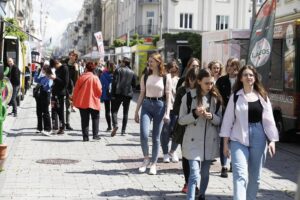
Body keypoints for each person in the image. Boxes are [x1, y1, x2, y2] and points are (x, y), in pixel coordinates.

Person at [220, 65, 279, 200]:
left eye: (251, 75)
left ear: (255, 78)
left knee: (255, 176)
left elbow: (269, 120)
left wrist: (272, 141)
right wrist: (225, 144)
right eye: (245, 75)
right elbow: (228, 120)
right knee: (240, 174)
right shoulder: (235, 96)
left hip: (259, 136)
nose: (249, 77)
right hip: (238, 138)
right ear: (240, 78)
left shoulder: (262, 96)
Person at [179, 68, 222, 200]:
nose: (209, 86)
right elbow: (181, 120)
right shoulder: (188, 97)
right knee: (194, 174)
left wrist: (211, 116)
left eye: (211, 83)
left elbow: (220, 120)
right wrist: (194, 114)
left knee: (205, 174)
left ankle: (202, 195)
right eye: (206, 83)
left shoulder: (216, 98)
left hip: (209, 141)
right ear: (199, 81)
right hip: (192, 141)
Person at [134, 52, 172, 175]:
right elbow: (141, 94)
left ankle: (154, 163)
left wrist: (167, 113)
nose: (149, 64)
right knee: (144, 134)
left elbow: (168, 96)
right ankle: (146, 159)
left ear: (158, 62)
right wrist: (136, 111)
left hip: (160, 106)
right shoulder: (145, 76)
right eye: (148, 61)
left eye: (152, 61)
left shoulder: (166, 77)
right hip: (146, 105)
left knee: (156, 137)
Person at [172, 67, 199, 193]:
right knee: (186, 156)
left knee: (197, 157)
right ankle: (188, 182)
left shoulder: (202, 92)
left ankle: (195, 182)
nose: (194, 81)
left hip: (199, 128)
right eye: (192, 78)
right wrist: (189, 112)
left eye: (197, 79)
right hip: (184, 127)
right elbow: (176, 108)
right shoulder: (182, 90)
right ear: (188, 78)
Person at [215, 58, 240, 178]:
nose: (230, 68)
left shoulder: (241, 80)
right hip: (224, 112)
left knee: (236, 139)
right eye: (228, 65)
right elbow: (216, 95)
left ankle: (233, 164)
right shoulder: (221, 80)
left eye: (233, 66)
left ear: (237, 67)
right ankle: (224, 165)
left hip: (239, 114)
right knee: (224, 139)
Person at [72, 62, 102, 141]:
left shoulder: (81, 77)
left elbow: (76, 90)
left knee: (84, 119)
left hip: (83, 102)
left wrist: (74, 101)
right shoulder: (95, 78)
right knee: (95, 118)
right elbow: (99, 90)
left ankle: (85, 137)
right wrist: (97, 96)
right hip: (94, 101)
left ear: (86, 68)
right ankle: (95, 135)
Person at [110, 57, 136, 136]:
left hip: (118, 94)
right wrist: (131, 92)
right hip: (127, 94)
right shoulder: (132, 72)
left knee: (114, 111)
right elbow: (134, 85)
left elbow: (114, 82)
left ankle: (115, 125)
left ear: (124, 63)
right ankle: (123, 131)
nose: (120, 63)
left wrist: (112, 94)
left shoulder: (118, 70)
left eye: (121, 62)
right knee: (125, 113)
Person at [161, 60, 180, 163]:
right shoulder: (164, 79)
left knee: (176, 132)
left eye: (174, 71)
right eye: (170, 71)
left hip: (176, 109)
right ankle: (165, 153)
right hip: (165, 108)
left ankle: (172, 151)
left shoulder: (179, 80)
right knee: (165, 132)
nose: (172, 74)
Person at [34, 61, 55, 136]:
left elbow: (48, 86)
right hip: (40, 95)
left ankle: (48, 129)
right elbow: (36, 80)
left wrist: (42, 85)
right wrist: (36, 71)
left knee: (46, 112)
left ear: (46, 70)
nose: (42, 70)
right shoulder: (43, 76)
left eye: (43, 69)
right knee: (39, 111)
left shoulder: (49, 77)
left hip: (46, 94)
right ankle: (40, 128)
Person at [51, 59, 69, 135]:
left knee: (60, 110)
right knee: (54, 109)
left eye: (55, 66)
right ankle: (56, 126)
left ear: (57, 63)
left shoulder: (64, 69)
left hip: (61, 93)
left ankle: (62, 127)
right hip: (55, 92)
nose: (55, 68)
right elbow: (56, 82)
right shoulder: (57, 70)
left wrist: (55, 78)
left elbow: (65, 83)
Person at [65, 50, 79, 130]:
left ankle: (67, 123)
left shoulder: (75, 66)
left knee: (68, 107)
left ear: (75, 57)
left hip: (70, 88)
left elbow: (76, 80)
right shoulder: (64, 64)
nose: (71, 56)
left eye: (73, 55)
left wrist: (76, 70)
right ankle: (59, 123)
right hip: (62, 86)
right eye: (71, 54)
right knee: (59, 106)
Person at [100, 62, 115, 132]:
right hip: (114, 94)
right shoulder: (115, 74)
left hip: (106, 94)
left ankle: (109, 126)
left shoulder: (103, 74)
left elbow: (101, 85)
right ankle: (115, 125)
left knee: (107, 111)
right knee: (114, 111)